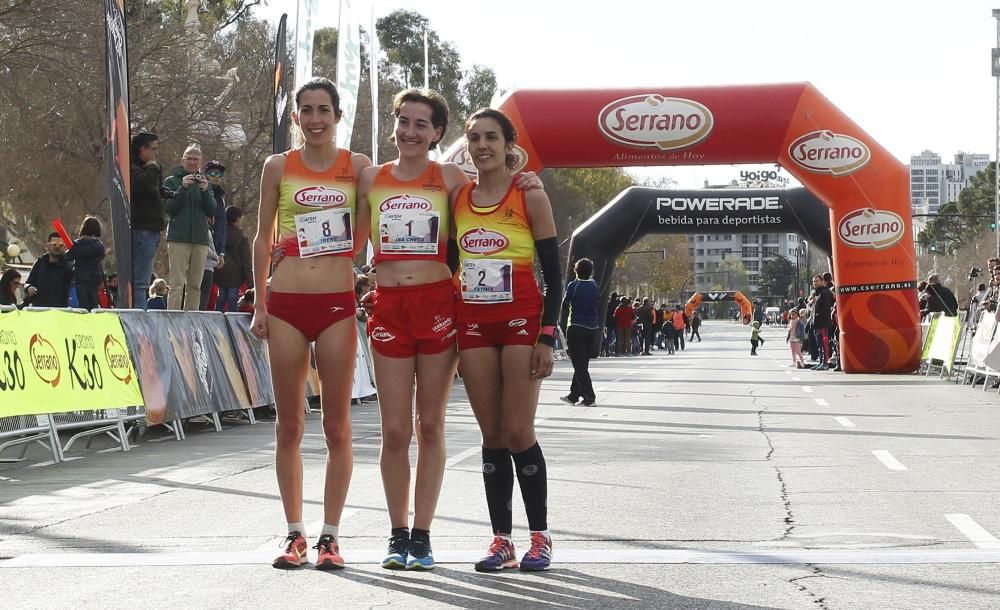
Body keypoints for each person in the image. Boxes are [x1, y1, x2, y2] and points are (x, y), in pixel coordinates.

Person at [355, 90, 540, 571]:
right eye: (403, 122)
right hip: (390, 306)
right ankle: (397, 535)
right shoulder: (372, 178)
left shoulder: (452, 178)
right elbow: (347, 239)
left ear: (438, 133)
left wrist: (527, 180)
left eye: (422, 124)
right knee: (394, 431)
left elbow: (494, 193)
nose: (410, 132)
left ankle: (423, 535)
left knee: (431, 424)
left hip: (439, 304)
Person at [251, 78, 372, 571]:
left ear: (338, 115)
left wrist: (517, 175)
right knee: (289, 426)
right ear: (296, 117)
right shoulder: (278, 166)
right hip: (286, 305)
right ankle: (294, 533)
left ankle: (331, 537)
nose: (316, 118)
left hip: (337, 305)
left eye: (324, 109)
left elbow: (403, 191)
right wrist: (260, 301)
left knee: (338, 426)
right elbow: (262, 238)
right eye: (307, 110)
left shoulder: (358, 167)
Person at [450, 107, 560, 573]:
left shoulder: (529, 195)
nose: (481, 146)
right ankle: (501, 540)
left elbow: (555, 275)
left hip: (520, 322)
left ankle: (540, 537)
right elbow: (449, 266)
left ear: (509, 144)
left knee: (517, 431)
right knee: (491, 435)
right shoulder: (458, 196)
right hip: (473, 323)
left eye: (491, 137)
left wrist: (548, 337)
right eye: (474, 138)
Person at [163, 143, 217, 310]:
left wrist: (205, 191)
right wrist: (183, 188)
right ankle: (172, 318)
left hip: (200, 239)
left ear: (201, 163)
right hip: (178, 237)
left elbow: (212, 210)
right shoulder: (172, 181)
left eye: (196, 159)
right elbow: (170, 209)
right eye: (189, 159)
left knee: (195, 285)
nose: (192, 162)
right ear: (182, 161)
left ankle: (191, 319)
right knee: (176, 283)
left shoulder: (205, 183)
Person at [130, 131, 165, 309]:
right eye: (153, 149)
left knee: (143, 277)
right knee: (140, 280)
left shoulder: (149, 168)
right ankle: (138, 314)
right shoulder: (134, 168)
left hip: (151, 228)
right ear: (142, 149)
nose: (155, 154)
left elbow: (156, 189)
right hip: (142, 228)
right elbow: (144, 185)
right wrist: (153, 168)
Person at [560, 257, 599, 406]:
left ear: (576, 271)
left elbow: (565, 304)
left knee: (579, 365)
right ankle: (573, 395)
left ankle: (589, 397)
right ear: (591, 272)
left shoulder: (573, 285)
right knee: (582, 363)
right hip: (593, 328)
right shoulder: (595, 285)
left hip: (576, 327)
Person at [214, 206, 252, 313]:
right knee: (232, 298)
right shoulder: (241, 237)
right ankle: (233, 323)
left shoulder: (219, 234)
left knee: (221, 297)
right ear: (237, 219)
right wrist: (250, 282)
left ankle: (216, 321)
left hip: (220, 271)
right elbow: (246, 260)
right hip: (236, 275)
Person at [65, 217, 106, 310]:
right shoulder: (99, 245)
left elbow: (68, 256)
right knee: (93, 304)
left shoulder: (76, 245)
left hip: (81, 278)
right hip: (95, 278)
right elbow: (102, 255)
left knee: (83, 305)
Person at [24, 232, 73, 308]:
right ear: (48, 246)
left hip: (60, 311)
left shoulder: (69, 266)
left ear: (64, 247)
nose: (57, 247)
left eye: (60, 245)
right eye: (54, 244)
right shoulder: (39, 263)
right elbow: (28, 283)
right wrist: (29, 288)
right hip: (39, 310)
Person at [205, 160, 228, 271]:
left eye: (219, 174)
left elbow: (222, 226)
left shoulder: (220, 198)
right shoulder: (202, 191)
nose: (216, 177)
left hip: (214, 247)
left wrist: (221, 252)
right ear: (206, 174)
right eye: (213, 173)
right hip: (201, 242)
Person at [810, 274, 834, 370]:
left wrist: (817, 316)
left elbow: (825, 309)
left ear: (822, 281)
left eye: (817, 281)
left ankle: (825, 363)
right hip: (817, 323)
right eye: (814, 281)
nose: (815, 283)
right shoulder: (817, 294)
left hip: (823, 322)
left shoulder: (824, 293)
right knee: (819, 344)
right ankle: (821, 362)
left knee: (824, 343)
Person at [199, 236, 219, 310]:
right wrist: (216, 257)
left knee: (204, 296)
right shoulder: (206, 231)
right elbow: (205, 248)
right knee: (203, 295)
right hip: (206, 268)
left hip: (208, 268)